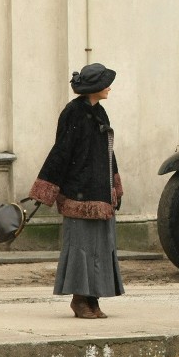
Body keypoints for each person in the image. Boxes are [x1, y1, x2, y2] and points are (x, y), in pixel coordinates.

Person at [29, 63, 124, 319]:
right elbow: (61, 150)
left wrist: (115, 184)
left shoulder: (101, 113)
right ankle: (79, 300)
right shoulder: (72, 113)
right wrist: (45, 188)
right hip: (78, 191)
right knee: (81, 247)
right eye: (105, 83)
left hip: (100, 192)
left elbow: (108, 150)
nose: (109, 88)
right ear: (94, 88)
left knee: (100, 247)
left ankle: (92, 300)